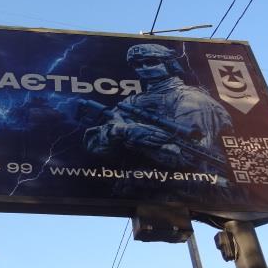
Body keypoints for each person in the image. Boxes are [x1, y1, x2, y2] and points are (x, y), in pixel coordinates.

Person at [84, 43, 232, 174]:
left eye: (151, 62)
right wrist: (120, 130)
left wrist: (138, 139)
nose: (144, 68)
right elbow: (94, 145)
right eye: (137, 64)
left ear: (170, 64)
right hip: (137, 188)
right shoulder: (131, 101)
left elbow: (187, 159)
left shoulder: (192, 99)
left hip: (184, 191)